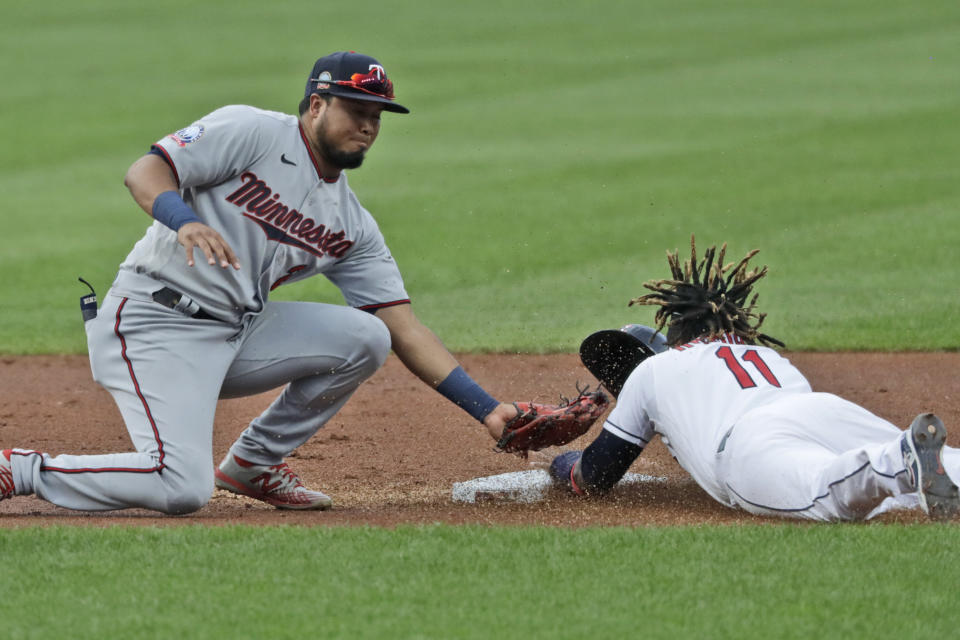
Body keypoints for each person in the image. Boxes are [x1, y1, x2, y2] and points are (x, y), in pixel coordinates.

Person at [0, 51, 518, 514]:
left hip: (231, 335)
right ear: (316, 105)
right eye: (355, 110)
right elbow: (145, 172)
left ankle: (253, 464)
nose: (368, 126)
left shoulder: (351, 223)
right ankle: (21, 469)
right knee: (180, 487)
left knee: (369, 337)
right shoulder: (253, 131)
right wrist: (186, 221)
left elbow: (405, 328)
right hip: (152, 323)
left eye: (376, 116)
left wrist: (489, 410)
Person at [550, 237, 960, 522]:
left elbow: (596, 475)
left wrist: (559, 462)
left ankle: (898, 459)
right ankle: (916, 460)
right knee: (926, 472)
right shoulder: (764, 356)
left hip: (749, 444)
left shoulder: (653, 372)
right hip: (820, 408)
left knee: (825, 492)